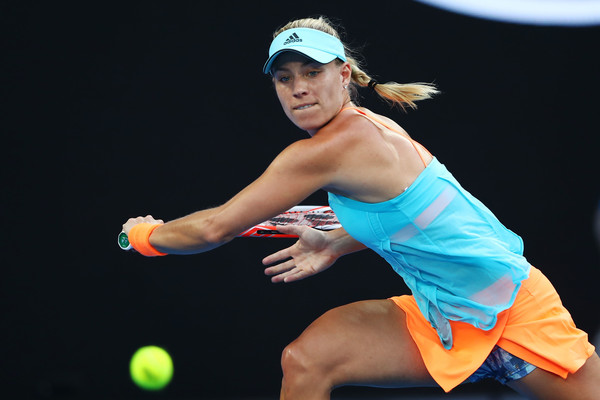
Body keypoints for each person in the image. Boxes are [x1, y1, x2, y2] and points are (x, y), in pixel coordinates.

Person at [122, 16, 599, 400]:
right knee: (307, 359)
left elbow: (214, 228)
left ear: (344, 75)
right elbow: (416, 218)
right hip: (443, 315)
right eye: (284, 78)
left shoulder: (328, 151)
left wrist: (145, 236)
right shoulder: (368, 127)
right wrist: (337, 243)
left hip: (513, 312)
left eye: (313, 72)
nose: (299, 88)